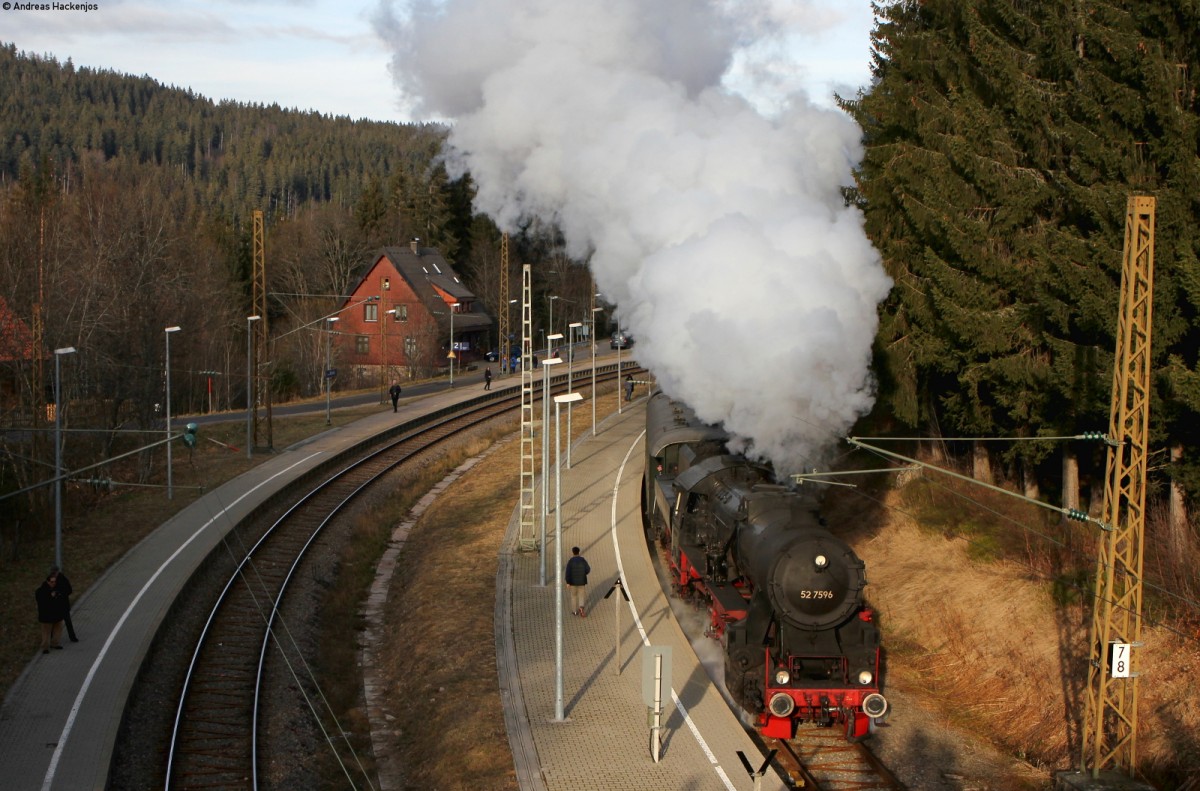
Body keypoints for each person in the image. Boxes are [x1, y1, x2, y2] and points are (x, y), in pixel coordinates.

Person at [35, 568, 69, 654]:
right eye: (52, 582)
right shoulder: (41, 591)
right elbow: (42, 602)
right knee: (46, 632)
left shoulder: (57, 589)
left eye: (54, 582)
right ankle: (45, 647)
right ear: (47, 582)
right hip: (46, 615)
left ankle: (55, 643)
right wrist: (51, 596)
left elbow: (63, 595)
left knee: (58, 629)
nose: (53, 583)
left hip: (57, 614)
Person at [52, 566, 79, 642]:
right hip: (55, 605)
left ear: (58, 572)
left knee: (68, 622)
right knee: (54, 622)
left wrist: (60, 594)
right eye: (53, 573)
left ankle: (72, 637)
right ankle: (52, 639)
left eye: (55, 573)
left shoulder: (63, 579)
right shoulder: (51, 580)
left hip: (63, 605)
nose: (54, 575)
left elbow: (69, 590)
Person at [565, 546, 591, 617]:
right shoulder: (583, 560)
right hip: (582, 582)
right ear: (579, 552)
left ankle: (574, 611)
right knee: (581, 596)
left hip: (573, 582)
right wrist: (583, 573)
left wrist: (568, 582)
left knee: (573, 596)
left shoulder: (570, 561)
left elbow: (568, 572)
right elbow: (588, 569)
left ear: (573, 552)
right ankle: (581, 607)